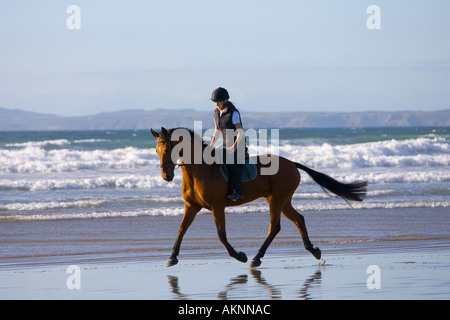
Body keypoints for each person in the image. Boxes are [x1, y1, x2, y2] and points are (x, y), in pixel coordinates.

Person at [209, 87, 247, 201]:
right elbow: (216, 131)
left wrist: (234, 147)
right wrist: (210, 146)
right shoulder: (216, 113)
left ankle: (238, 192)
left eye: (218, 101)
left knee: (230, 163)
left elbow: (240, 132)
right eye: (214, 102)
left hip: (238, 145)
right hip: (226, 145)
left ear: (225, 100)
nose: (216, 104)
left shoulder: (233, 113)